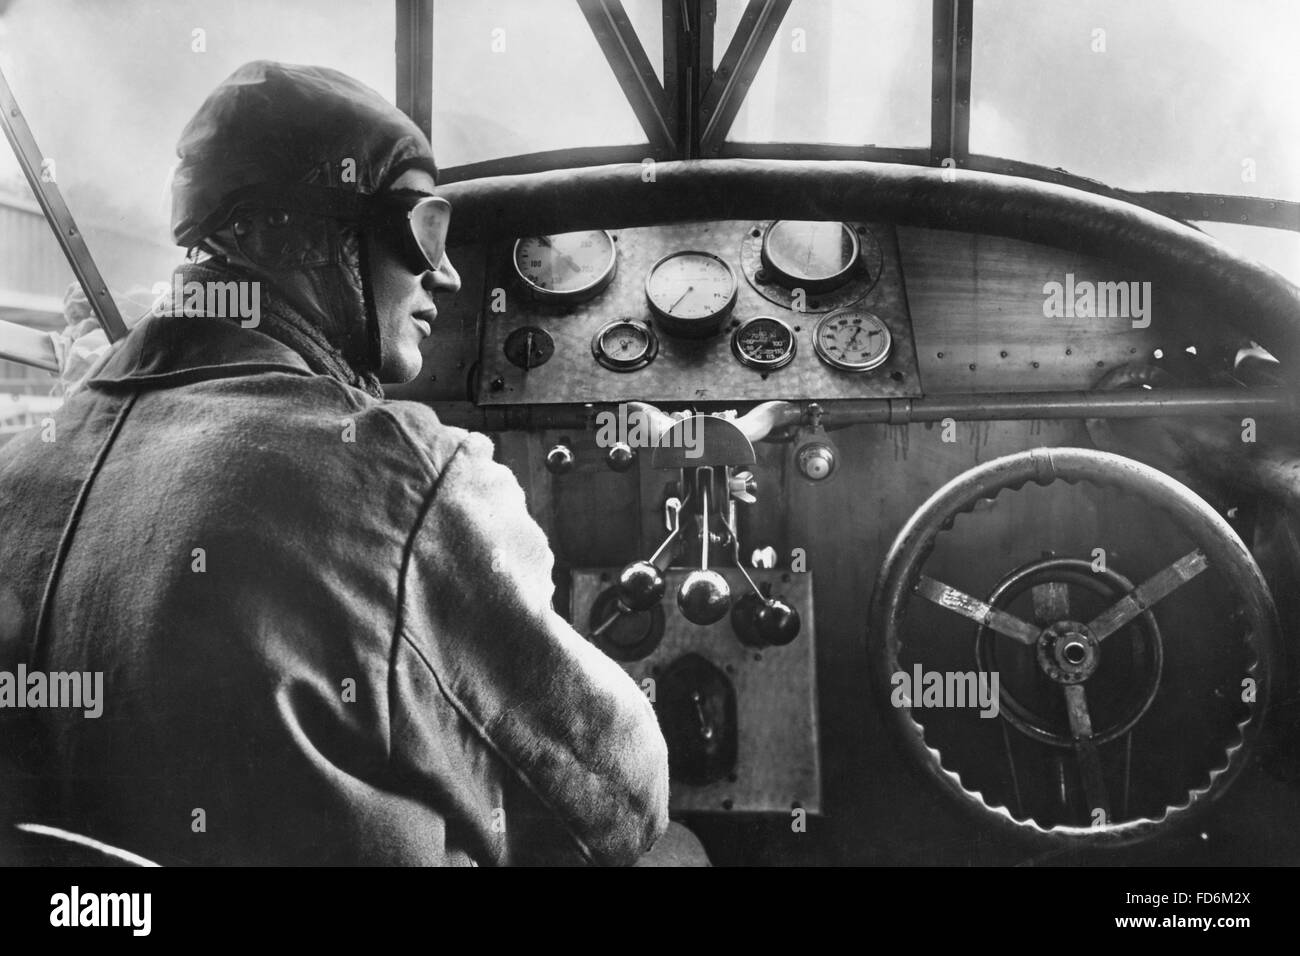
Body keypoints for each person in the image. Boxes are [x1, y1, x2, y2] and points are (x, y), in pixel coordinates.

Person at [0, 61, 676, 866]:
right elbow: (625, 801)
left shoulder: (18, 477)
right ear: (298, 234)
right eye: (423, 227)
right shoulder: (407, 478)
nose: (449, 273)